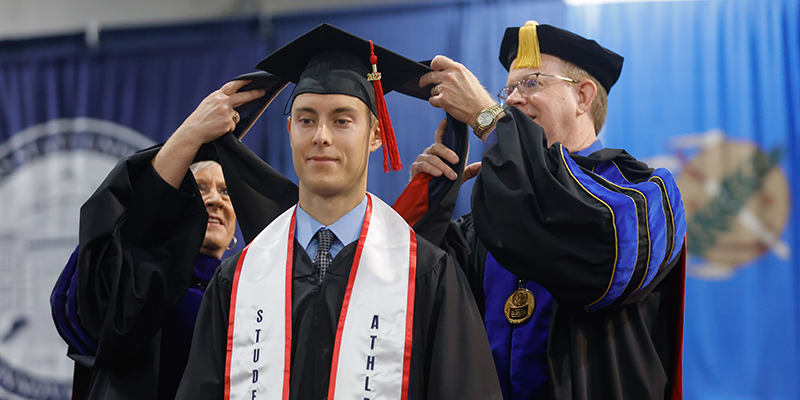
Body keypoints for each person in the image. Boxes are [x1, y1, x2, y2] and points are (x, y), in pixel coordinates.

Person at [174, 23, 502, 400]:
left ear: (376, 135)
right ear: (290, 131)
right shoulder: (239, 278)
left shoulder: (425, 274)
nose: (321, 136)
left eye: (342, 120)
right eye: (306, 119)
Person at [403, 21, 687, 400]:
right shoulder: (489, 218)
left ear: (584, 97)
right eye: (508, 91)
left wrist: (490, 121)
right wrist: (435, 195)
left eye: (532, 83)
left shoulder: (646, 197)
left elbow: (598, 257)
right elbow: (419, 303)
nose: (513, 100)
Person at [49, 77, 278, 400]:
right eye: (201, 188)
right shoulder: (143, 287)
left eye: (226, 191)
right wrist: (191, 134)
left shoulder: (250, 296)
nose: (215, 199)